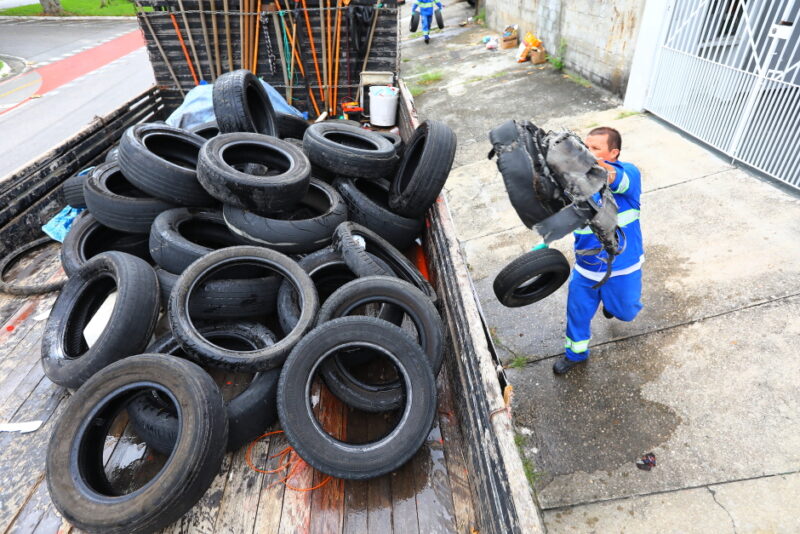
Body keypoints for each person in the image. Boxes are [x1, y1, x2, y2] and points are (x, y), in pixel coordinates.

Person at [553, 126, 644, 375]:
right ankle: (575, 353)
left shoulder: (630, 175)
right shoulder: (576, 185)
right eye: (586, 147)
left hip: (623, 268)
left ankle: (613, 306)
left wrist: (590, 165)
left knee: (626, 312)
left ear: (613, 152)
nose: (588, 153)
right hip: (587, 270)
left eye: (596, 149)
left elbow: (613, 176)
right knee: (577, 314)